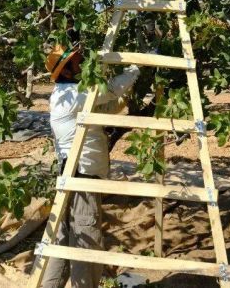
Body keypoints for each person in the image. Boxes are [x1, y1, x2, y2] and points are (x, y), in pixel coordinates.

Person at [41, 42, 140, 288]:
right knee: (87, 236)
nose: (82, 62)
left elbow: (107, 105)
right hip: (82, 175)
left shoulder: (69, 94)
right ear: (65, 71)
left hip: (72, 173)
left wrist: (126, 99)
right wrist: (136, 69)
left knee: (62, 237)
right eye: (75, 61)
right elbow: (110, 89)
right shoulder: (73, 93)